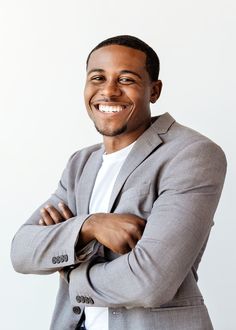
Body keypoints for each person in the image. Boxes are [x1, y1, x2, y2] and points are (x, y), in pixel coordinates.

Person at [11, 35, 227, 330]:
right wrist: (90, 225)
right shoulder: (80, 163)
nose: (109, 92)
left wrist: (71, 267)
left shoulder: (191, 154)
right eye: (97, 78)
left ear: (154, 90)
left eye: (126, 79)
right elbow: (21, 251)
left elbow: (150, 282)